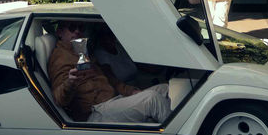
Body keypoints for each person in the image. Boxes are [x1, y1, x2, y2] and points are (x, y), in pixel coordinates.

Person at [45, 21, 190, 125]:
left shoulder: (82, 52)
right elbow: (59, 99)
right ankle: (179, 134)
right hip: (95, 112)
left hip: (112, 101)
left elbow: (110, 79)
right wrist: (70, 82)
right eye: (71, 27)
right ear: (60, 32)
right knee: (152, 99)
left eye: (80, 27)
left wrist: (130, 91)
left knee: (165, 88)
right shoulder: (59, 58)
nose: (77, 31)